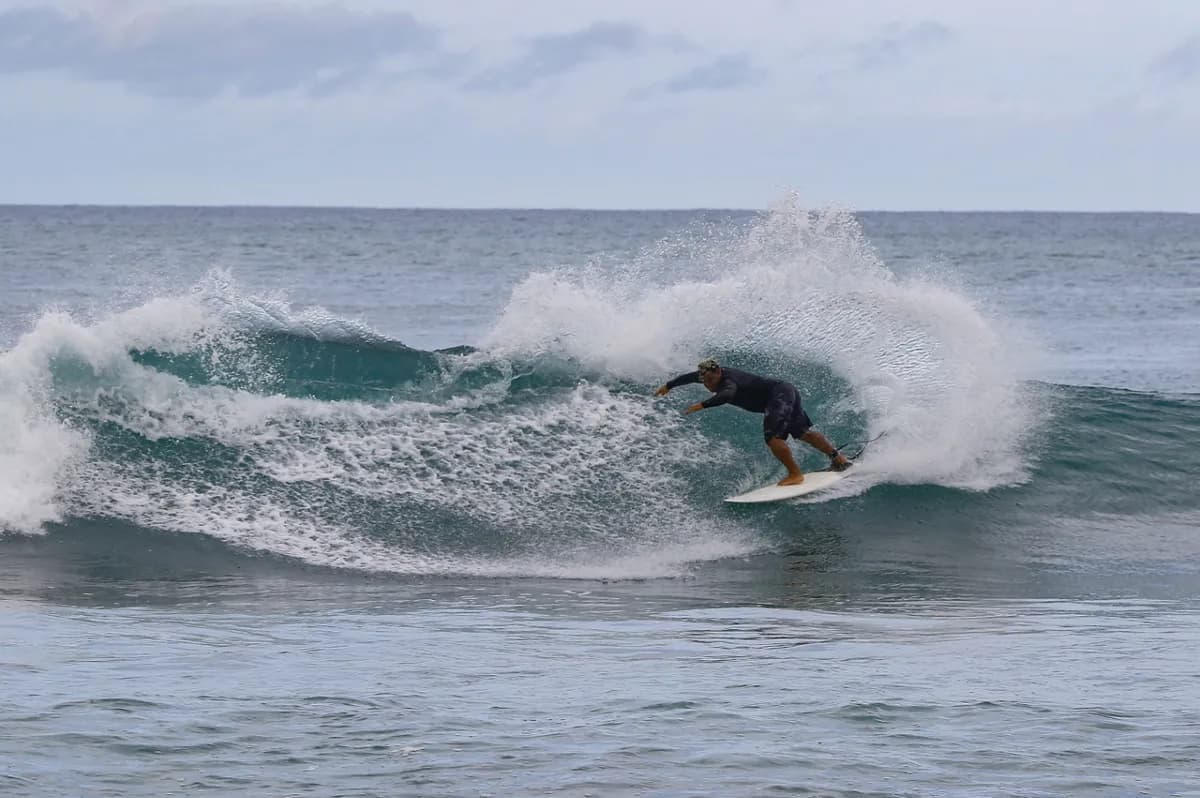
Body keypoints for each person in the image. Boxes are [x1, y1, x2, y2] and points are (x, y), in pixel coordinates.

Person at [655, 358, 851, 486]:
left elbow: (726, 395)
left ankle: (795, 474)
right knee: (802, 433)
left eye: (710, 380)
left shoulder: (728, 382)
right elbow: (688, 378)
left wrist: (702, 405)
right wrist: (668, 385)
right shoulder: (707, 375)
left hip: (779, 396)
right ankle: (838, 458)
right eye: (704, 380)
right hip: (784, 392)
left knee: (772, 438)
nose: (707, 384)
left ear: (719, 372)